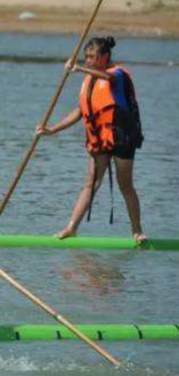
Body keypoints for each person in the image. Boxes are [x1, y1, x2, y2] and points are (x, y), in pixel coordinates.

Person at [36, 36, 146, 243]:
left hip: (121, 137)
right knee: (91, 183)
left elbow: (108, 79)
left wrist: (78, 69)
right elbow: (80, 111)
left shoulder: (117, 74)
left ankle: (137, 231)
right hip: (99, 138)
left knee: (125, 185)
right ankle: (71, 228)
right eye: (85, 57)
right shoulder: (89, 79)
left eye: (92, 57)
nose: (87, 60)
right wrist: (52, 129)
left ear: (105, 57)